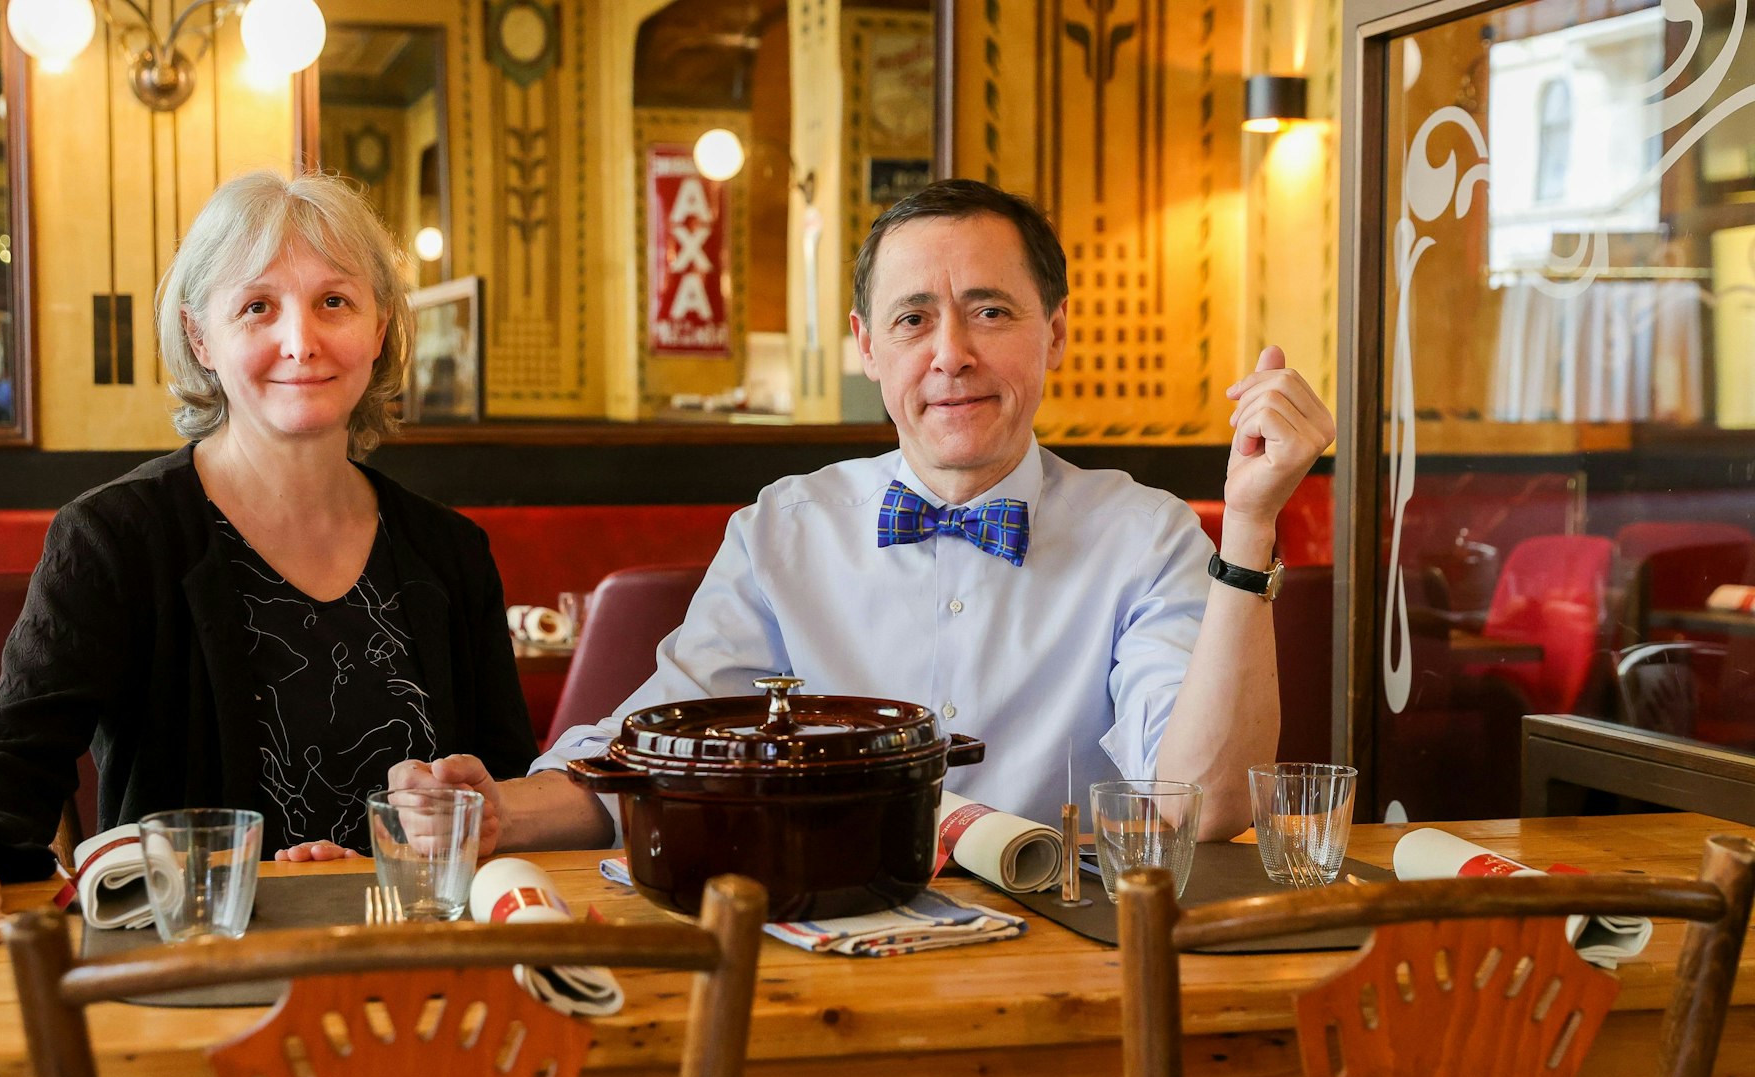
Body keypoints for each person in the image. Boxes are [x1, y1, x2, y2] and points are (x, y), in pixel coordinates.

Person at [394, 177, 1336, 850]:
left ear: (1054, 332)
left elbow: (1207, 805)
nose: (951, 352)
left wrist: (1249, 525)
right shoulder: (783, 530)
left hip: (1070, 963)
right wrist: (495, 813)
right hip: (827, 950)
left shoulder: (1148, 533)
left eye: (992, 312)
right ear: (867, 347)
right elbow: (655, 749)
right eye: (913, 317)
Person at [0, 171, 539, 934]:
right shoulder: (116, 536)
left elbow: (508, 787)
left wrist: (460, 819)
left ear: (379, 329)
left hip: (419, 961)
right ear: (201, 337)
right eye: (257, 307)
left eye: (334, 301)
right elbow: (17, 745)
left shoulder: (451, 551)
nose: (300, 340)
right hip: (194, 964)